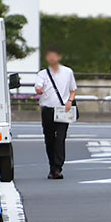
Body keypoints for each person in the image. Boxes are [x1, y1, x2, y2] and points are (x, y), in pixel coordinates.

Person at [35, 46, 77, 179]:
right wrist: (39, 89)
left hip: (62, 109)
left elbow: (73, 89)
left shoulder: (67, 72)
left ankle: (58, 167)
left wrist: (70, 101)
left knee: (60, 138)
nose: (51, 58)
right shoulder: (42, 73)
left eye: (54, 56)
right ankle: (52, 166)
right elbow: (38, 86)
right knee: (49, 139)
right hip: (47, 109)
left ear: (59, 57)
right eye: (49, 56)